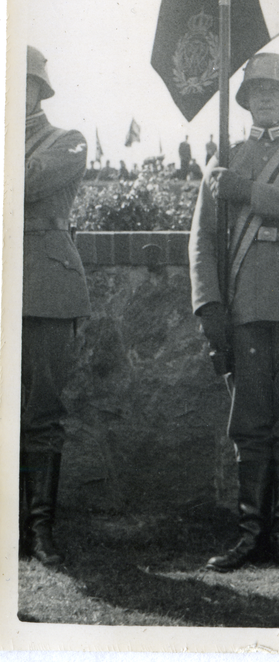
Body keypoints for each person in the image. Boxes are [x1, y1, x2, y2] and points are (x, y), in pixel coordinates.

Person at [188, 53, 279, 575]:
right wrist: (209, 303)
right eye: (256, 91)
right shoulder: (225, 158)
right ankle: (251, 533)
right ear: (246, 100)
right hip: (246, 300)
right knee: (250, 422)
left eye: (275, 90)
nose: (266, 97)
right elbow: (203, 240)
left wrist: (248, 191)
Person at [22, 47, 91, 566]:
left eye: (24, 83)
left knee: (42, 410)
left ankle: (40, 529)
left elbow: (25, 181)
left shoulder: (67, 141)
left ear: (40, 90)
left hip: (46, 283)